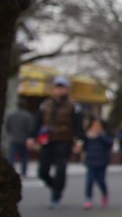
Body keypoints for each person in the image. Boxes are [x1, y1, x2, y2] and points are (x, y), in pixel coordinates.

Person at [30, 76, 85, 208]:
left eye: (62, 87)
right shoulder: (46, 104)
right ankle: (55, 187)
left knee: (61, 169)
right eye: (57, 87)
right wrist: (31, 137)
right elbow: (37, 121)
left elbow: (78, 126)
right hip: (47, 140)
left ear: (67, 89)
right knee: (42, 171)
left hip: (64, 140)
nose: (59, 90)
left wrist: (79, 142)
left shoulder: (74, 106)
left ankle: (56, 194)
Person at [82, 118, 113, 209]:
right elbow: (85, 147)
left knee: (101, 181)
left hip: (102, 161)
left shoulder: (104, 135)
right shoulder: (88, 136)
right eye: (94, 125)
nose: (96, 127)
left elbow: (109, 144)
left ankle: (104, 194)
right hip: (91, 161)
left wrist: (100, 135)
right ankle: (88, 199)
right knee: (90, 180)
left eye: (98, 125)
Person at [4, 97, 35, 178]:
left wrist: (11, 134)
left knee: (12, 156)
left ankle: (9, 172)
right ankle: (24, 172)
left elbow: (7, 126)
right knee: (24, 157)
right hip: (24, 139)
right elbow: (30, 128)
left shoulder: (11, 115)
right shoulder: (28, 116)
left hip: (14, 138)